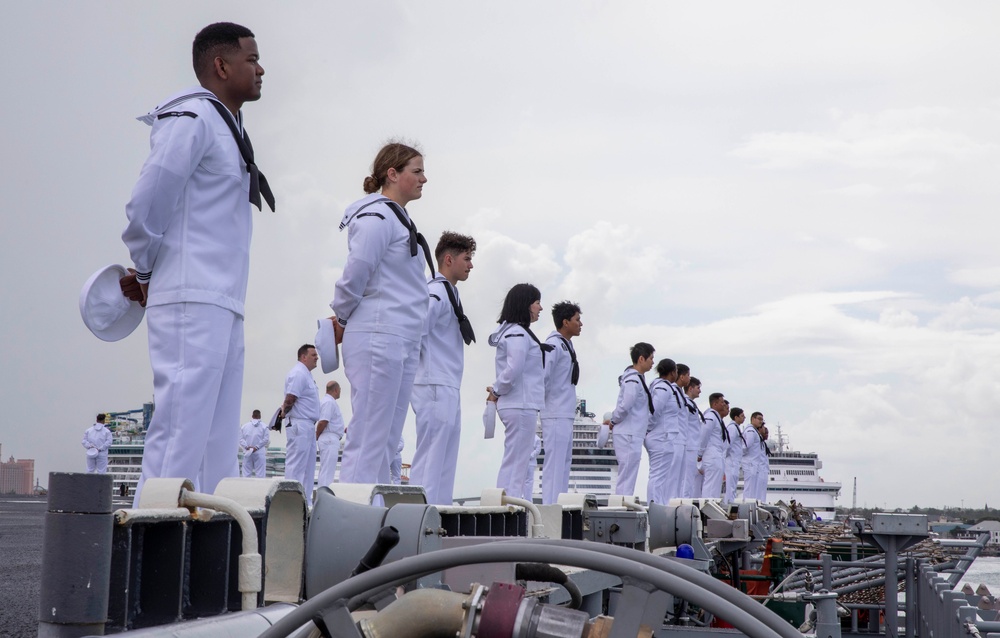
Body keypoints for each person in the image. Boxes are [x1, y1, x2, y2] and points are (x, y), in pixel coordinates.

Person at [119, 22, 274, 503]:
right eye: (251, 59)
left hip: (223, 299)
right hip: (189, 296)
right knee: (179, 442)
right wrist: (146, 272)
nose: (261, 67)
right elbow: (146, 205)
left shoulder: (229, 127)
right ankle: (153, 559)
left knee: (216, 449)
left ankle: (203, 563)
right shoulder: (191, 118)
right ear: (221, 65)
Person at [332, 143, 430, 485]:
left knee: (388, 441)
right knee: (370, 438)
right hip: (377, 334)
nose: (424, 179)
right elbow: (356, 271)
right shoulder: (377, 215)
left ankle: (375, 516)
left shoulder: (397, 218)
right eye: (416, 171)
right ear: (392, 174)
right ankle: (351, 522)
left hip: (398, 337)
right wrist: (341, 317)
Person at [409, 232, 477, 505]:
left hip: (446, 382)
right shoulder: (436, 291)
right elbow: (418, 330)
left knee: (445, 458)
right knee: (431, 458)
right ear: (449, 259)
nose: (470, 265)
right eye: (467, 258)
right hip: (434, 381)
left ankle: (439, 513)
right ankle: (418, 517)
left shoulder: (450, 292)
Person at [487, 283, 548, 500]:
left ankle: (508, 504)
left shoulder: (515, 332)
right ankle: (507, 507)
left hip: (520, 403)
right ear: (526, 304)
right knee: (517, 463)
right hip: (520, 403)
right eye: (537, 302)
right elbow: (514, 368)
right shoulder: (517, 334)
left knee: (517, 461)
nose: (540, 308)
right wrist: (496, 390)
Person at [540, 301, 582, 504]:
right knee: (554, 467)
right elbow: (543, 378)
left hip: (564, 412)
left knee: (563, 466)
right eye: (577, 320)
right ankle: (549, 511)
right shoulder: (554, 345)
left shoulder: (567, 345)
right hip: (555, 412)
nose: (580, 324)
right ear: (565, 322)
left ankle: (558, 509)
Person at [604, 342, 655, 497]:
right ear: (641, 359)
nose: (653, 362)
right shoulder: (633, 380)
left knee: (629, 474)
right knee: (627, 475)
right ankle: (622, 506)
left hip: (632, 432)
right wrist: (613, 420)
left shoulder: (637, 379)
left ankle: (625, 504)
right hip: (628, 432)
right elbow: (626, 405)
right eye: (651, 358)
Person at [281, 345, 320, 503]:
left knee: (308, 468)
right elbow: (291, 397)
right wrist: (284, 412)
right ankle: (290, 501)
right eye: (313, 355)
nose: (317, 357)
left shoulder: (307, 374)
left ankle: (304, 502)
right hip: (300, 424)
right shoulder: (299, 373)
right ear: (303, 357)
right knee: (296, 466)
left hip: (308, 425)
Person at [644, 358, 682, 505]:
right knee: (658, 476)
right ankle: (654, 508)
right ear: (672, 372)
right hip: (661, 436)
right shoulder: (663, 388)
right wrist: (648, 429)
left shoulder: (662, 386)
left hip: (663, 436)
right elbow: (655, 411)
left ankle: (658, 505)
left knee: (661, 476)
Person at [698, 393, 730, 498]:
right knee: (710, 487)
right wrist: (699, 453)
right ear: (715, 404)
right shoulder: (710, 417)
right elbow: (703, 435)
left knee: (715, 488)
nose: (724, 405)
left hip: (717, 456)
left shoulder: (716, 418)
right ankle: (707, 510)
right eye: (721, 402)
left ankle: (712, 508)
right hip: (711, 456)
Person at [316, 381, 346, 487]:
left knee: (326, 470)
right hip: (329, 438)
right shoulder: (329, 402)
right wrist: (317, 435)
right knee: (327, 471)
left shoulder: (328, 401)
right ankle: (324, 495)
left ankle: (323, 493)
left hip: (329, 436)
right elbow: (323, 421)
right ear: (336, 390)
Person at [680, 373, 705, 498]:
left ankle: (685, 501)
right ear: (690, 388)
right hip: (688, 445)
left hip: (692, 445)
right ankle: (683, 503)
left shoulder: (690, 404)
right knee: (686, 479)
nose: (700, 391)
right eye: (698, 388)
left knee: (689, 478)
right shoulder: (685, 402)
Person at [724, 408, 748, 501]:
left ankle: (731, 502)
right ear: (736, 417)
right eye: (742, 416)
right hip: (731, 460)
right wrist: (727, 457)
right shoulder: (732, 428)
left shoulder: (736, 427)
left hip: (735, 460)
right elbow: (728, 444)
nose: (744, 417)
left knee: (733, 485)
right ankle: (729, 503)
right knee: (730, 485)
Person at [742, 412, 766, 501]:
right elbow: (746, 447)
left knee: (753, 489)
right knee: (750, 488)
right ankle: (747, 506)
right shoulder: (751, 431)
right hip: (750, 463)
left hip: (754, 463)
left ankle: (751, 506)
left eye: (762, 419)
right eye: (759, 419)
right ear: (753, 419)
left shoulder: (754, 431)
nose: (761, 421)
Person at [239, 409, 269, 478]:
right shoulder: (264, 426)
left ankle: (246, 488)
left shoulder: (244, 426)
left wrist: (246, 446)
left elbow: (240, 439)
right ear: (260, 416)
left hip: (247, 452)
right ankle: (260, 488)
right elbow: (266, 439)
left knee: (246, 473)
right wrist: (256, 447)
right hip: (259, 452)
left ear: (252, 416)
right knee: (260, 474)